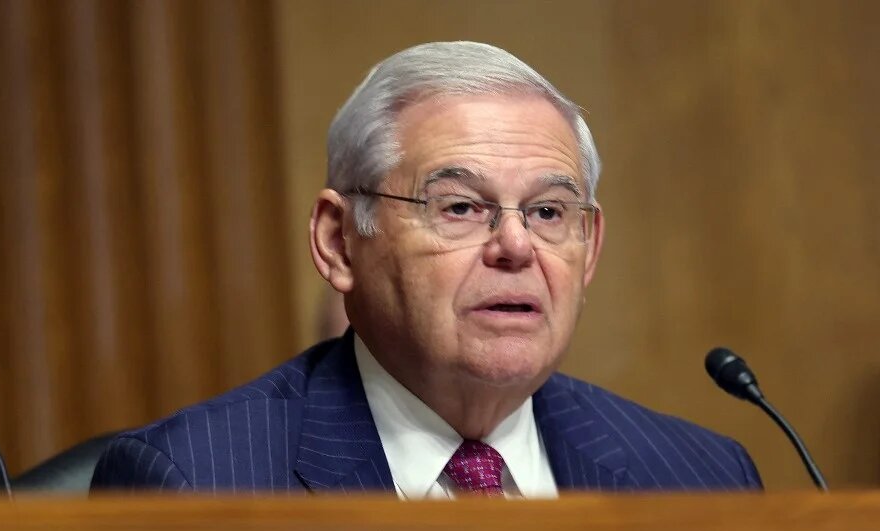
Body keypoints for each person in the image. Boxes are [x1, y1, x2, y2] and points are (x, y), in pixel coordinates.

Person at [91, 41, 761, 496]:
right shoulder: (197, 484)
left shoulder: (700, 475)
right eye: (462, 206)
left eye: (550, 213)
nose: (516, 246)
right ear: (338, 241)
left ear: (591, 251)